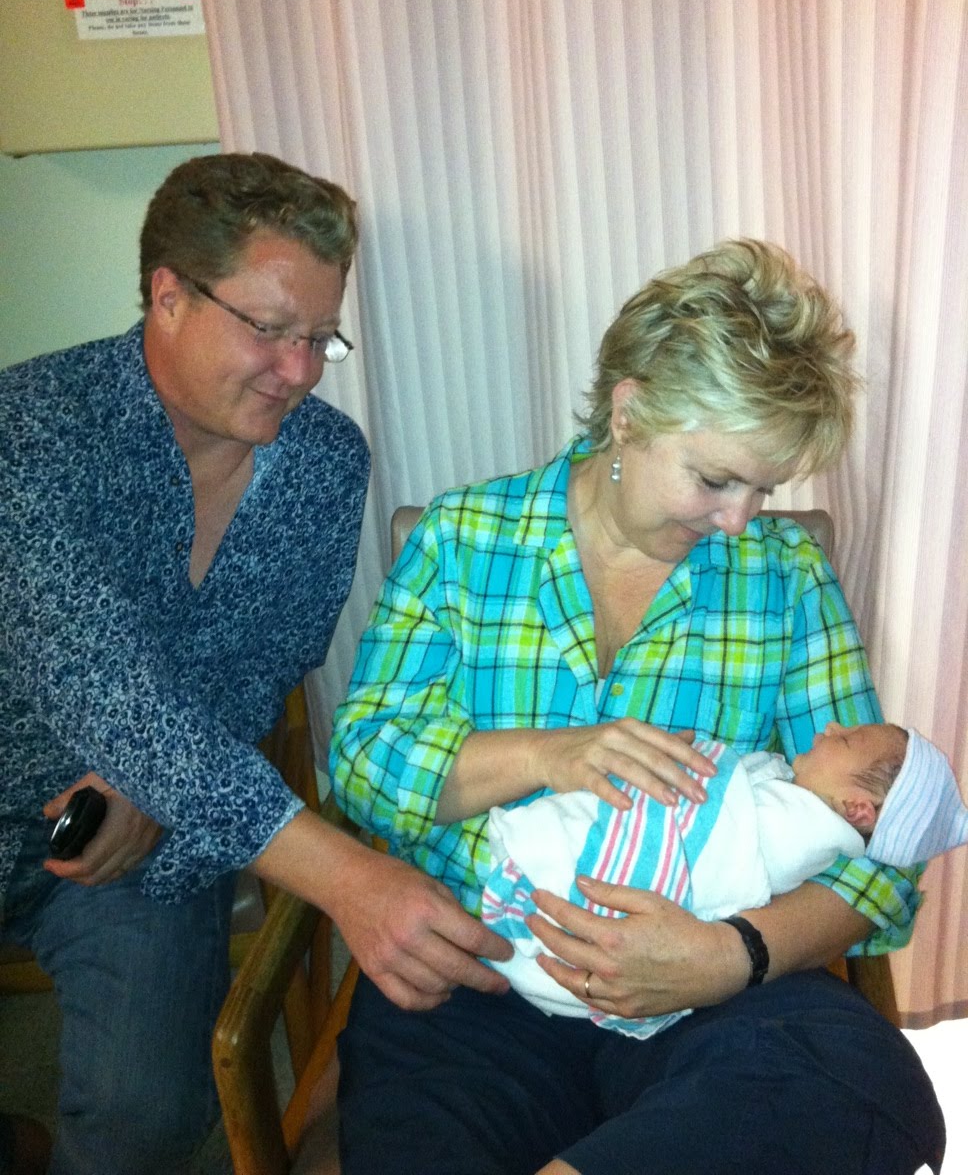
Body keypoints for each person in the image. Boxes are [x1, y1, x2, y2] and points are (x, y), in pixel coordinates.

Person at [330, 238, 945, 1175]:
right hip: (479, 977)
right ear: (628, 411)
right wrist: (547, 755)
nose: (740, 519)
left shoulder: (783, 577)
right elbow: (365, 762)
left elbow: (884, 856)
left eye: (764, 488)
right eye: (716, 479)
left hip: (703, 995)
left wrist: (729, 955)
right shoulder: (464, 540)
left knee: (866, 1085)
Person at [0, 152, 509, 1175]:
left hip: (143, 835)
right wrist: (351, 879)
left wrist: (155, 791)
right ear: (169, 295)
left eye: (319, 337)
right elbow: (99, 678)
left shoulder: (324, 459)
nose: (301, 370)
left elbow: (269, 659)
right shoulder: (31, 431)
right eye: (270, 329)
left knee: (146, 1113)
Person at [483, 720, 968, 1035]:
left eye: (844, 740)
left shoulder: (800, 833)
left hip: (661, 954)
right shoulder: (793, 795)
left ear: (858, 809)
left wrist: (726, 954)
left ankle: (537, 862)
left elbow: (715, 852)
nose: (831, 726)